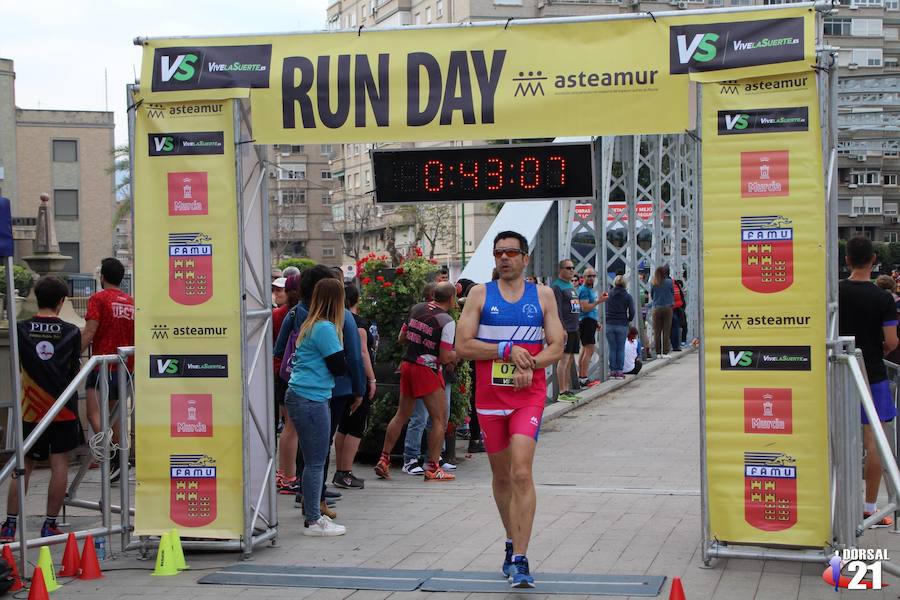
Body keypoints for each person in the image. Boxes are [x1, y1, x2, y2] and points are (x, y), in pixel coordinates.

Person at [456, 230, 564, 589]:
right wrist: (504, 350)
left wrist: (530, 365)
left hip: (526, 397)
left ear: (525, 258)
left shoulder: (543, 295)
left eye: (511, 253)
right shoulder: (479, 294)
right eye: (499, 253)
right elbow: (463, 345)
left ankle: (520, 558)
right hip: (489, 400)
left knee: (521, 473)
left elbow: (557, 345)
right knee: (502, 478)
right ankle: (510, 539)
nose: (504, 259)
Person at [274, 265, 366, 516]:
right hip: (316, 394)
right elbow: (344, 363)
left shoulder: (298, 316)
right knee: (317, 456)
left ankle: (309, 496)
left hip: (299, 388)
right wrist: (360, 387)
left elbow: (279, 349)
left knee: (309, 448)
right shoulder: (329, 325)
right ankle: (315, 510)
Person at [1, 277, 83, 540]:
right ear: (62, 302)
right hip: (63, 408)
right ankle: (49, 524)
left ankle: (10, 526)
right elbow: (74, 370)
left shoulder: (20, 329)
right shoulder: (71, 332)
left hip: (30, 409)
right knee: (60, 464)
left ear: (36, 297)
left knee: (23, 464)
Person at [840, 236, 899, 527]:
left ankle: (836, 502)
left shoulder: (836, 292)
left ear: (847, 260)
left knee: (836, 441)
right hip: (872, 375)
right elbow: (891, 340)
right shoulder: (883, 299)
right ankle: (869, 508)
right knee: (873, 442)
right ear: (874, 260)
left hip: (838, 375)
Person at [285, 278, 349, 536]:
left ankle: (313, 515)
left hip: (304, 394)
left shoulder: (311, 324)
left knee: (314, 459)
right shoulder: (324, 329)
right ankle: (313, 519)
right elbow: (339, 366)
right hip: (311, 397)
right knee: (315, 461)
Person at [375, 282, 459, 481]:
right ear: (451, 299)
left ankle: (384, 459)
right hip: (427, 370)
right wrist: (460, 353)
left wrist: (419, 340)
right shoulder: (446, 321)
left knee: (402, 415)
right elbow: (446, 357)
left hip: (408, 366)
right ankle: (433, 467)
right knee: (439, 419)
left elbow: (401, 337)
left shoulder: (417, 308)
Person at [81, 257, 134, 477]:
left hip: (101, 365)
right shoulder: (131, 302)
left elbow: (90, 331)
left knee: (93, 412)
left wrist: (74, 353)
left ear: (102, 277)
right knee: (115, 415)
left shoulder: (98, 299)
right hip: (125, 368)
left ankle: (111, 454)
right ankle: (121, 458)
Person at [332, 284, 377, 489]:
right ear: (357, 299)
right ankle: (345, 471)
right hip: (356, 379)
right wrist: (371, 379)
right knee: (356, 426)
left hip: (340, 380)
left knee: (343, 425)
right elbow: (362, 353)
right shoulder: (358, 324)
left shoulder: (335, 320)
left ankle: (340, 471)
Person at [273, 275, 301, 494]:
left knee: (288, 426)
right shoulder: (292, 314)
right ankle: (288, 476)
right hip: (290, 372)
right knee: (291, 427)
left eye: (280, 290)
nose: (277, 293)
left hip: (282, 372)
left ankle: (283, 473)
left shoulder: (280, 313)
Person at [551, 259, 581, 402]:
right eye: (568, 268)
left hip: (574, 327)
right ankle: (562, 391)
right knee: (563, 359)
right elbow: (556, 308)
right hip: (566, 328)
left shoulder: (570, 285)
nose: (571, 270)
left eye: (573, 268)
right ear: (561, 270)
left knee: (569, 359)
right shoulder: (557, 287)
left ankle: (567, 389)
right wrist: (561, 327)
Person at [576, 268, 607, 387]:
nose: (591, 278)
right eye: (589, 276)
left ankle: (582, 376)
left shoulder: (588, 290)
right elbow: (584, 308)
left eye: (593, 276)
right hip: (586, 321)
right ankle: (583, 378)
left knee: (585, 350)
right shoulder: (584, 290)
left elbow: (589, 309)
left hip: (589, 321)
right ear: (583, 277)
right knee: (589, 350)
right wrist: (599, 301)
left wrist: (595, 322)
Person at [605, 275, 635, 379]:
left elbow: (604, 307)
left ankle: (612, 371)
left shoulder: (608, 294)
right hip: (622, 324)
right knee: (620, 348)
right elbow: (632, 311)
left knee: (612, 348)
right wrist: (629, 319)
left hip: (609, 323)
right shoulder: (627, 296)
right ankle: (619, 371)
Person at [650, 266, 674, 358]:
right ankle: (665, 352)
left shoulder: (653, 283)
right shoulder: (669, 282)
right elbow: (672, 293)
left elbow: (652, 295)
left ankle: (658, 352)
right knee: (666, 331)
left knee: (657, 331)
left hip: (656, 309)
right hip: (667, 308)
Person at [670, 278, 686, 352]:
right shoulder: (675, 284)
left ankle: (669, 345)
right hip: (677, 308)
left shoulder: (660, 282)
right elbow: (682, 297)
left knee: (671, 327)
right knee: (677, 326)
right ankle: (677, 345)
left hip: (670, 308)